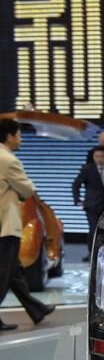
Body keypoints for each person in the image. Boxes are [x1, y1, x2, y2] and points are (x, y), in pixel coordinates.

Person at [0, 119, 55, 331]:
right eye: (19, 135)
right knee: (4, 274)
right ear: (9, 136)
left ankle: (36, 309)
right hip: (7, 224)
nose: (21, 139)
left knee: (13, 272)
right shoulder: (8, 160)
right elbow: (26, 189)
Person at [72, 146, 104, 258]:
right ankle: (93, 254)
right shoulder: (87, 169)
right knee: (93, 230)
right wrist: (78, 200)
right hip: (92, 205)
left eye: (102, 156)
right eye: (97, 156)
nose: (99, 159)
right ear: (93, 157)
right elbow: (76, 184)